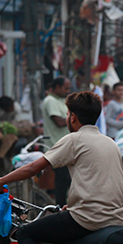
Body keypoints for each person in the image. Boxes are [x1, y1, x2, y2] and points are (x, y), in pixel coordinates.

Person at [0, 92, 123, 244]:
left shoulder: (74, 139)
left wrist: (0, 181)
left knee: (25, 232)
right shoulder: (110, 143)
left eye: (69, 113)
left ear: (72, 117)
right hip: (113, 217)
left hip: (87, 218)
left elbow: (33, 167)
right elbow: (101, 180)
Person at [42, 77, 72, 206]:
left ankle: (64, 205)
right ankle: (60, 207)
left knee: (66, 179)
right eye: (66, 88)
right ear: (57, 87)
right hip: (56, 147)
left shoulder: (60, 101)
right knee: (62, 180)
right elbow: (59, 122)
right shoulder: (50, 101)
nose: (68, 91)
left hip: (64, 147)